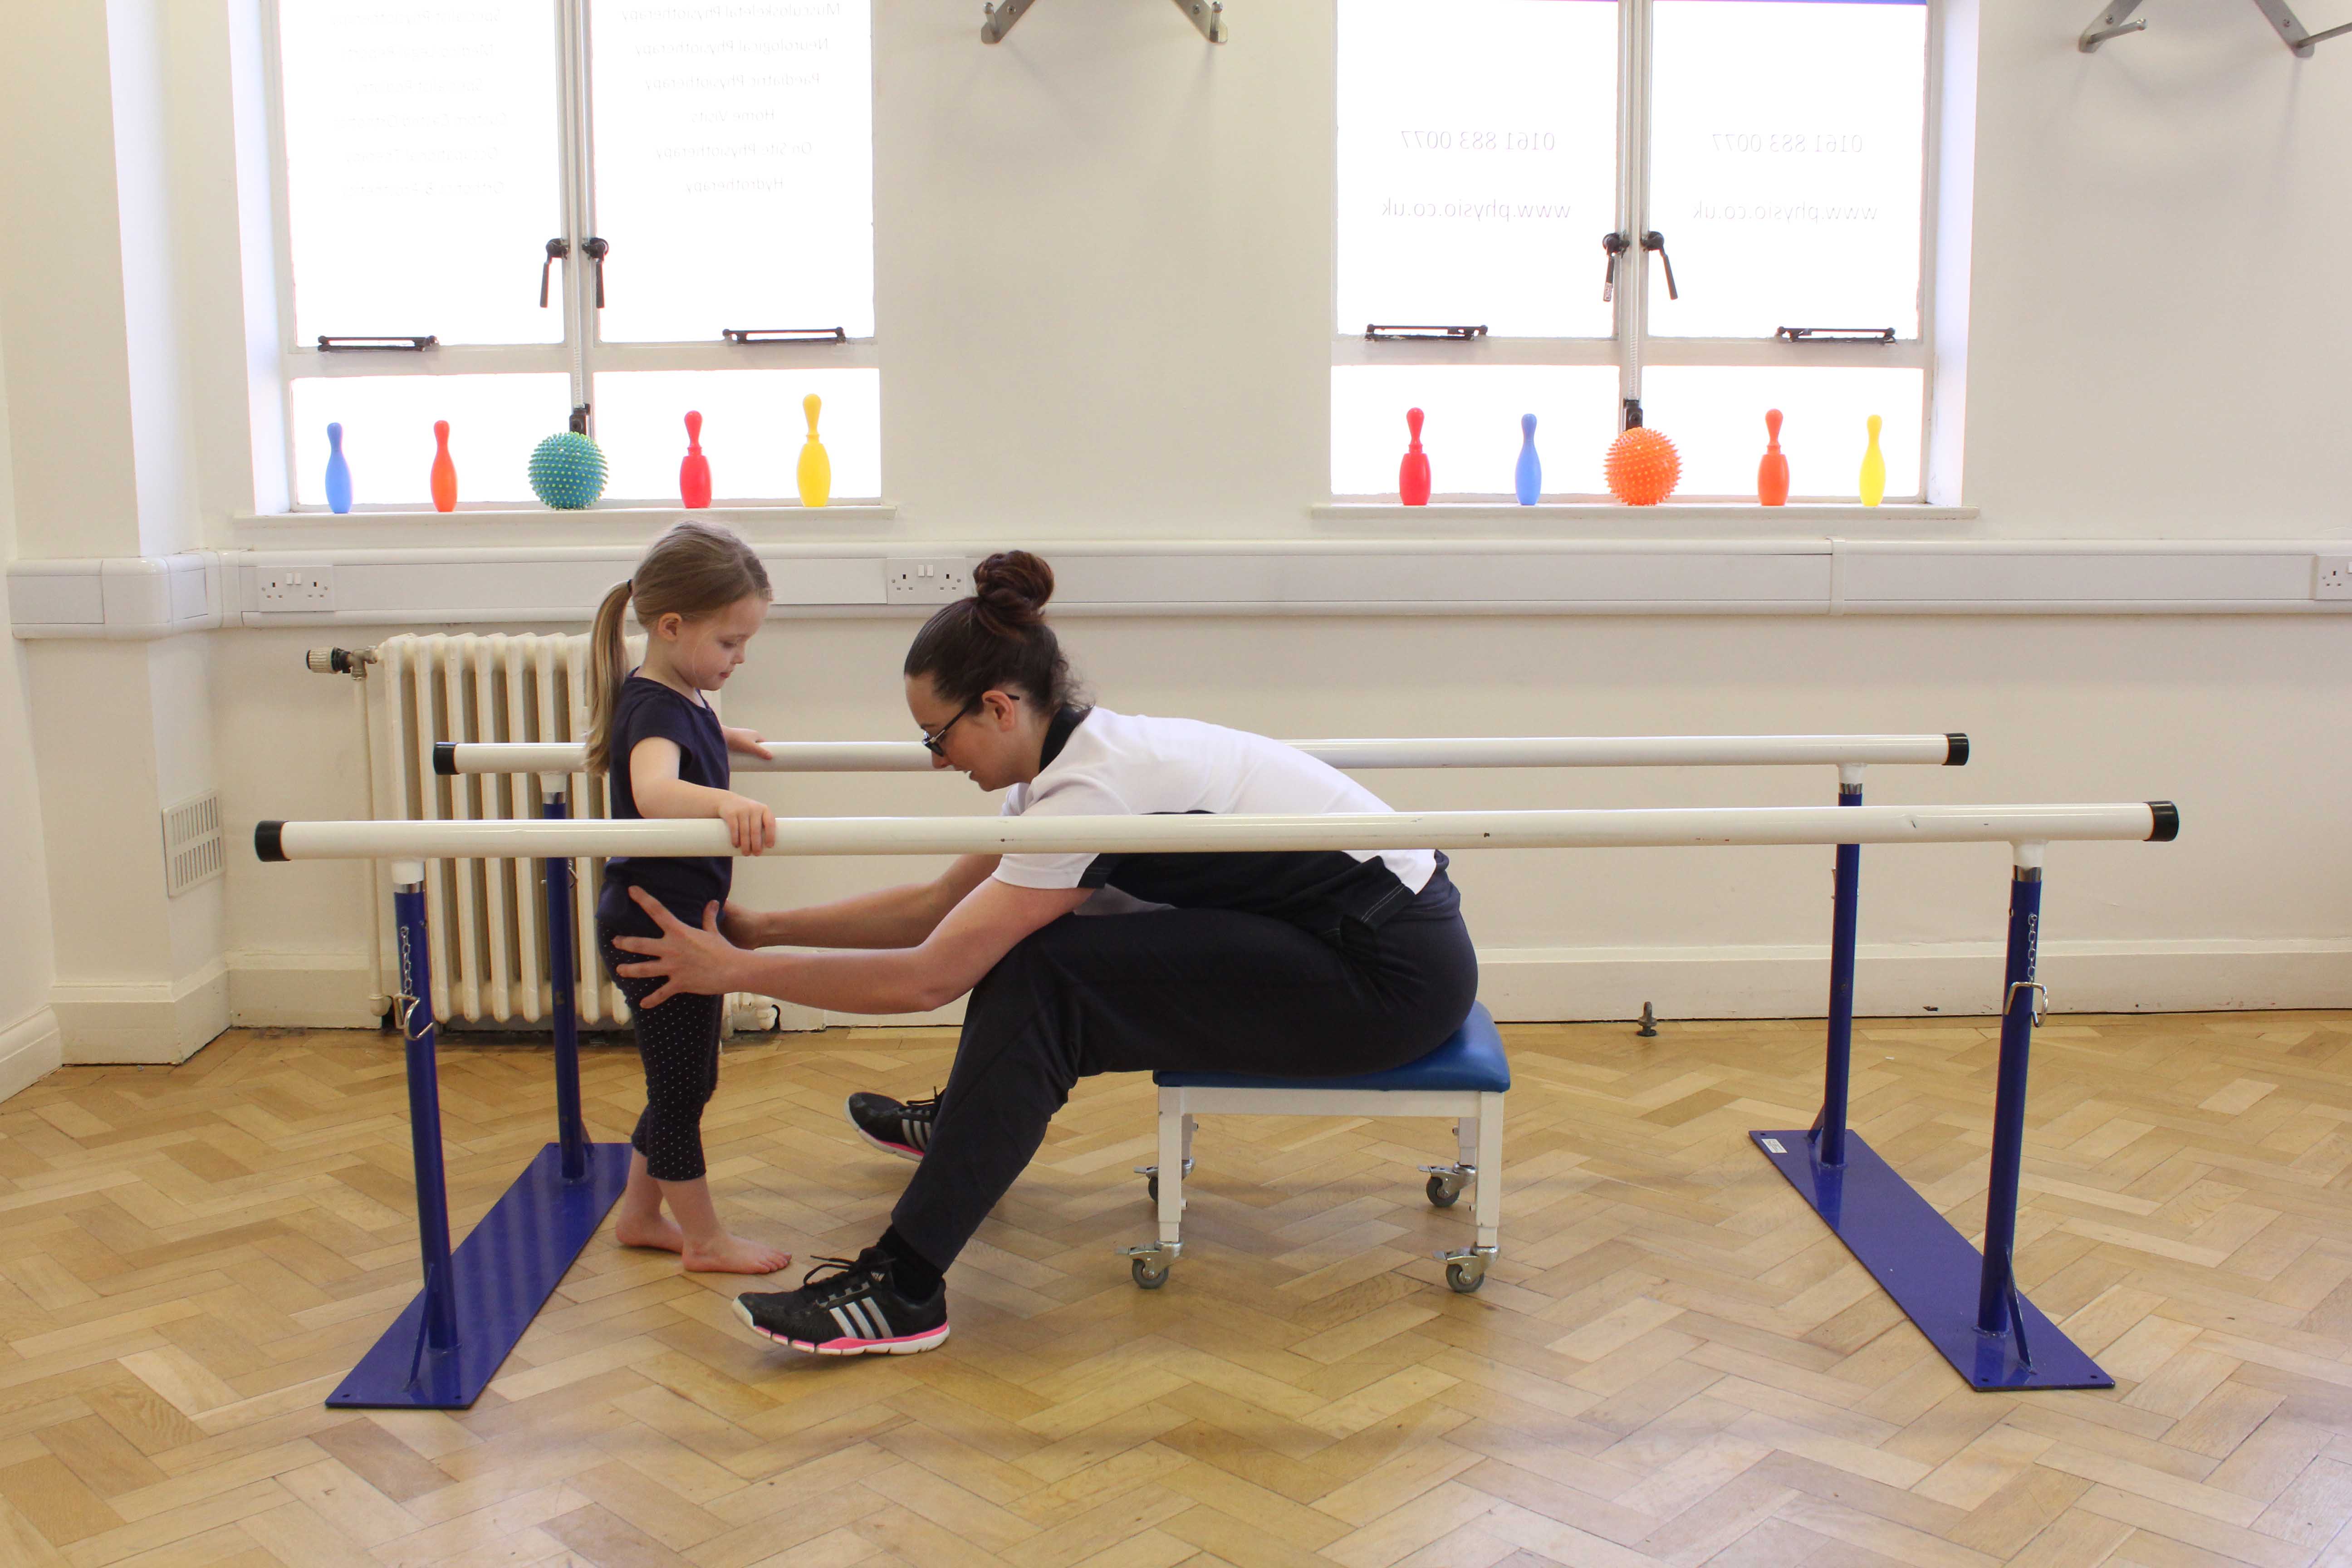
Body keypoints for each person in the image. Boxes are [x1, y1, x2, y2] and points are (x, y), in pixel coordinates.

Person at [612, 550, 1477, 1355]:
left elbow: (929, 978)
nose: (937, 760)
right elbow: (932, 910)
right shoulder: (1066, 765)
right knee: (1040, 948)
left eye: (937, 736)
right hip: (1361, 940)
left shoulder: (1089, 789)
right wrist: (762, 931)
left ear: (999, 706)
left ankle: (906, 1285)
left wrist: (733, 974)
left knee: (1048, 968)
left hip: (1386, 977)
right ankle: (958, 1134)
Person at [586, 519, 793, 1275]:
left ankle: (641, 1214)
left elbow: (679, 740)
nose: (739, 659)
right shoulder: (659, 707)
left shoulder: (683, 696)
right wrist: (719, 802)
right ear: (671, 628)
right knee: (679, 1088)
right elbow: (652, 789)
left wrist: (721, 734)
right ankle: (704, 1239)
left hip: (676, 921)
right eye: (730, 643)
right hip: (652, 929)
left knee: (690, 1078)